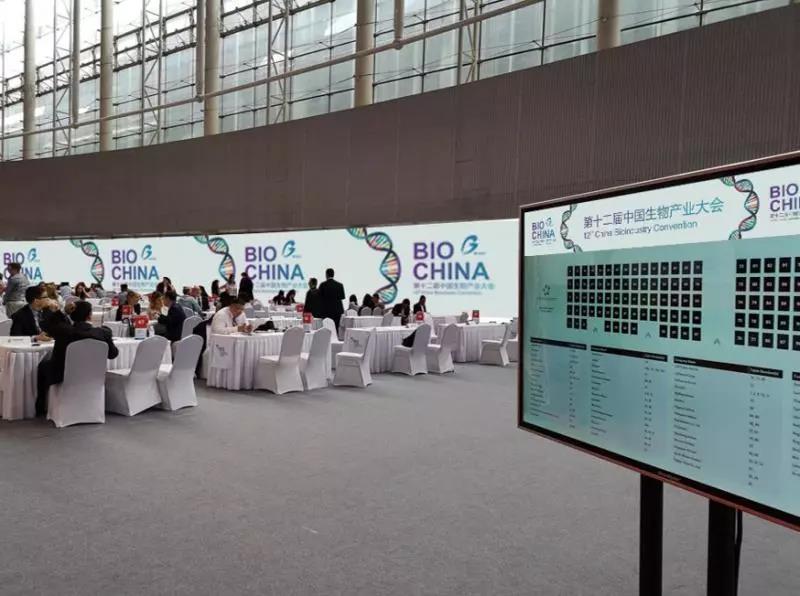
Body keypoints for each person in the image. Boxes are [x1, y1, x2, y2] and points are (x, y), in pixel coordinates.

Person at [36, 301, 118, 417]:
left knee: (43, 366)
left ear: (71, 315)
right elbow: (113, 354)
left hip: (64, 374)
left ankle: (40, 405)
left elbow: (46, 325)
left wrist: (62, 312)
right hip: (93, 375)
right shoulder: (103, 333)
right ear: (90, 316)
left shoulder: (63, 331)